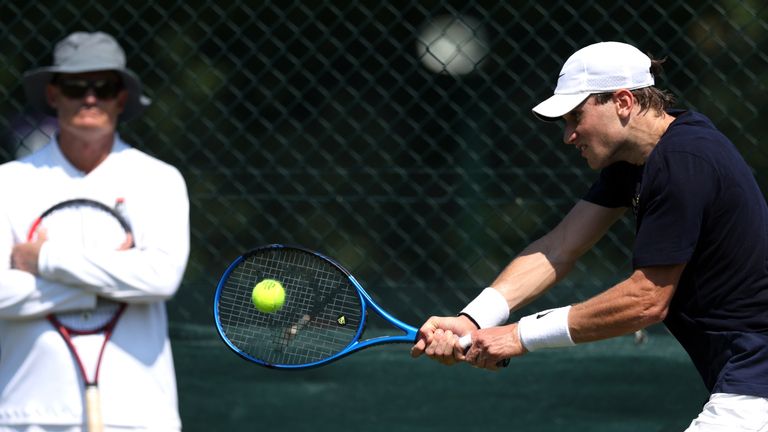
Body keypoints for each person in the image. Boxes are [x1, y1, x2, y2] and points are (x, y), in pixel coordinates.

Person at [411, 41, 768, 431]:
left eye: (575, 117)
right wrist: (475, 318)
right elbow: (558, 247)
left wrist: (519, 335)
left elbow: (645, 301)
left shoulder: (683, 161)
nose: (569, 136)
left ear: (624, 102)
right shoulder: (638, 161)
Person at [0, 31, 190, 430]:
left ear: (121, 98)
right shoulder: (8, 183)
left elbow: (160, 278)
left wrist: (44, 260)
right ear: (53, 95)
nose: (90, 98)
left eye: (103, 87)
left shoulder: (159, 179)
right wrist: (115, 277)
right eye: (75, 86)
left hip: (139, 417)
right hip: (27, 417)